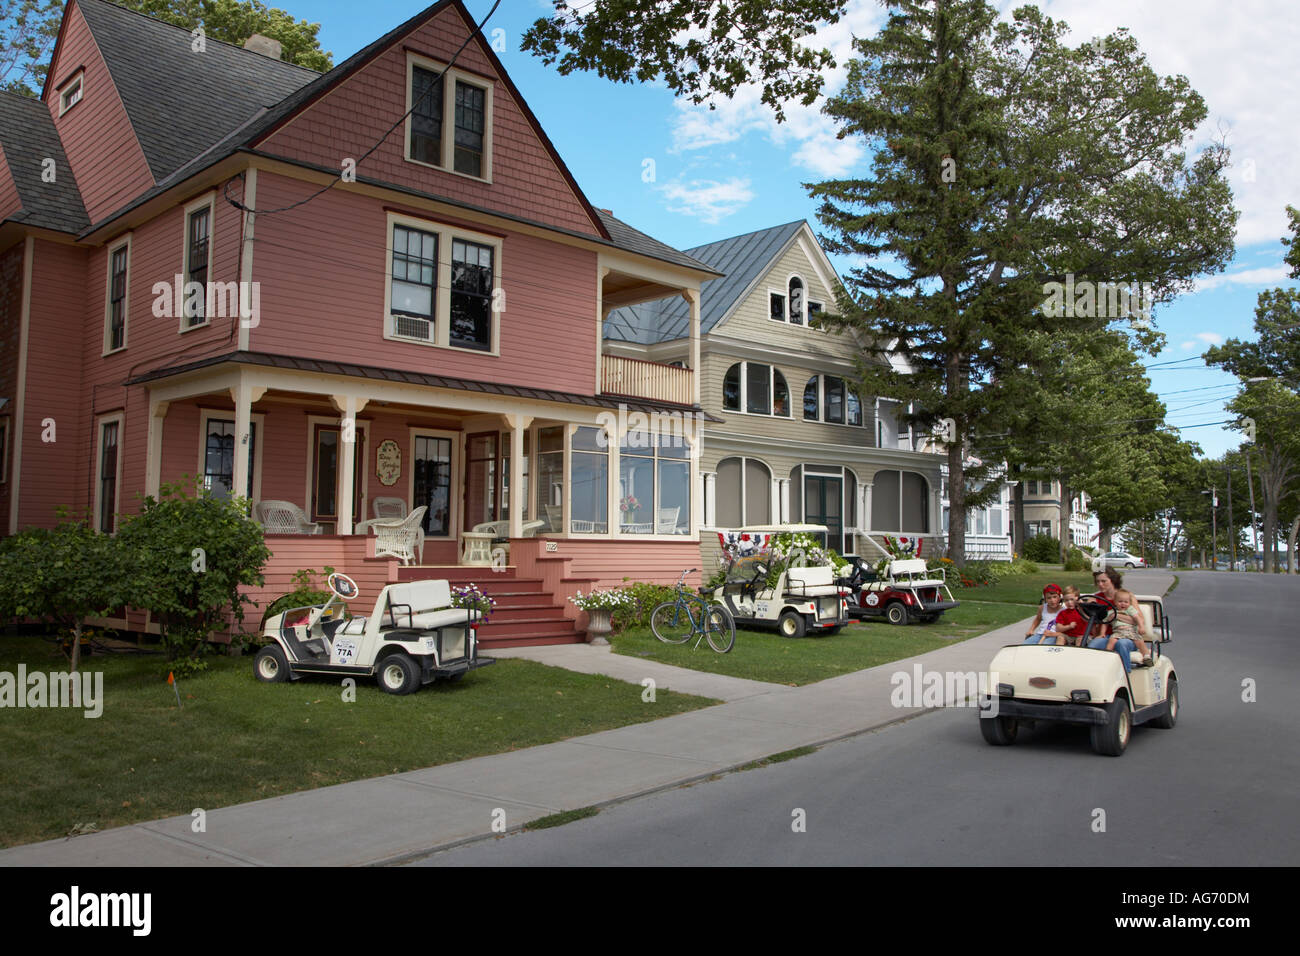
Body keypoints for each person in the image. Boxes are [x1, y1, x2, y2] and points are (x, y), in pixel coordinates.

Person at [1107, 589, 1152, 666]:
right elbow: (1105, 623)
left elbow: (1138, 618)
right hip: (1118, 632)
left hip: (1131, 632)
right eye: (1120, 601)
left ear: (1129, 603)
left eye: (1126, 602)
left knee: (1140, 642)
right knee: (1111, 641)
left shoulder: (1130, 610)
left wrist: (1141, 627)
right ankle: (1107, 655)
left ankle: (1146, 656)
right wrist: (1101, 633)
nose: (1123, 604)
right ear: (1115, 602)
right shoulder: (1111, 612)